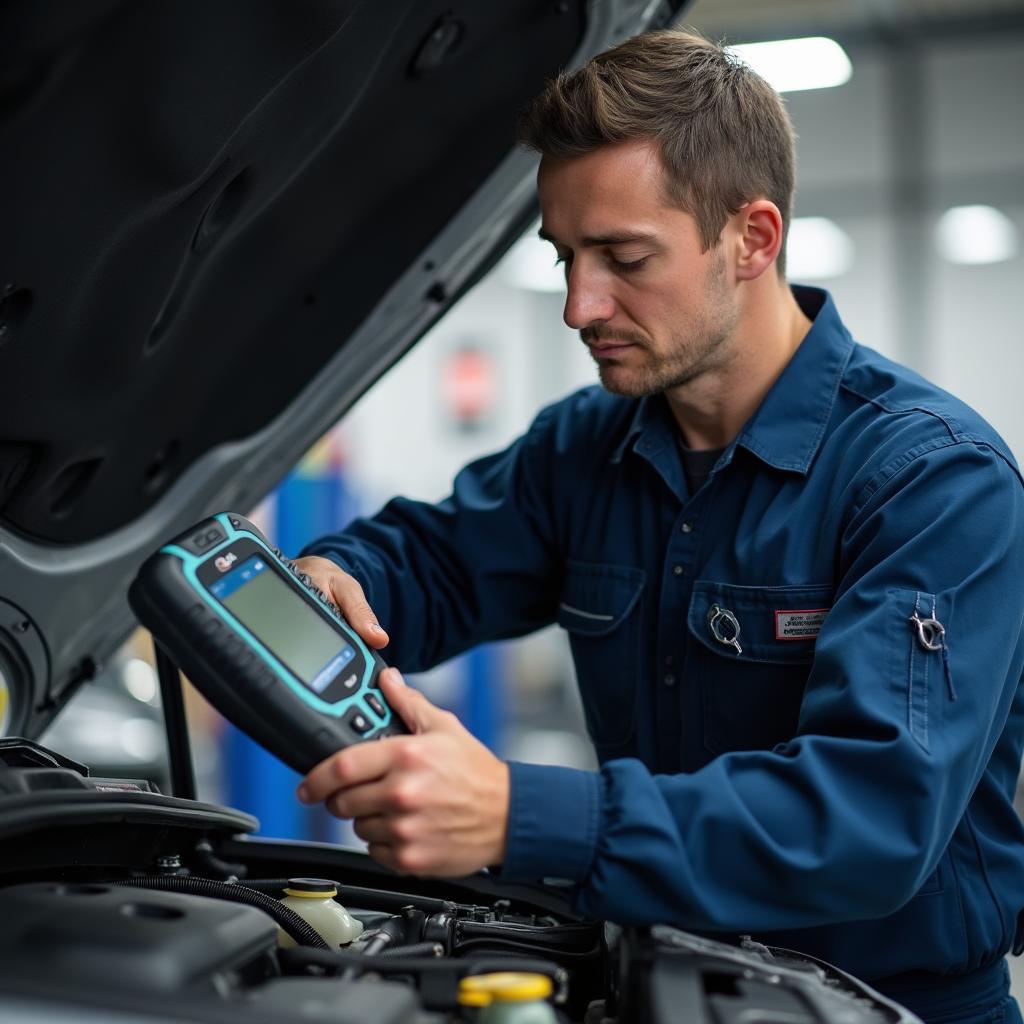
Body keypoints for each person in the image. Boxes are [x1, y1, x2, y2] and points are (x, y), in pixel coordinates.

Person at [294, 29, 1024, 1024]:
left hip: (885, 1007)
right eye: (564, 257)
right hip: (657, 987)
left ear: (752, 238)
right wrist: (343, 573)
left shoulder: (932, 481)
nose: (577, 304)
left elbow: (870, 817)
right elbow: (433, 560)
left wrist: (521, 812)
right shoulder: (585, 448)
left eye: (622, 258)